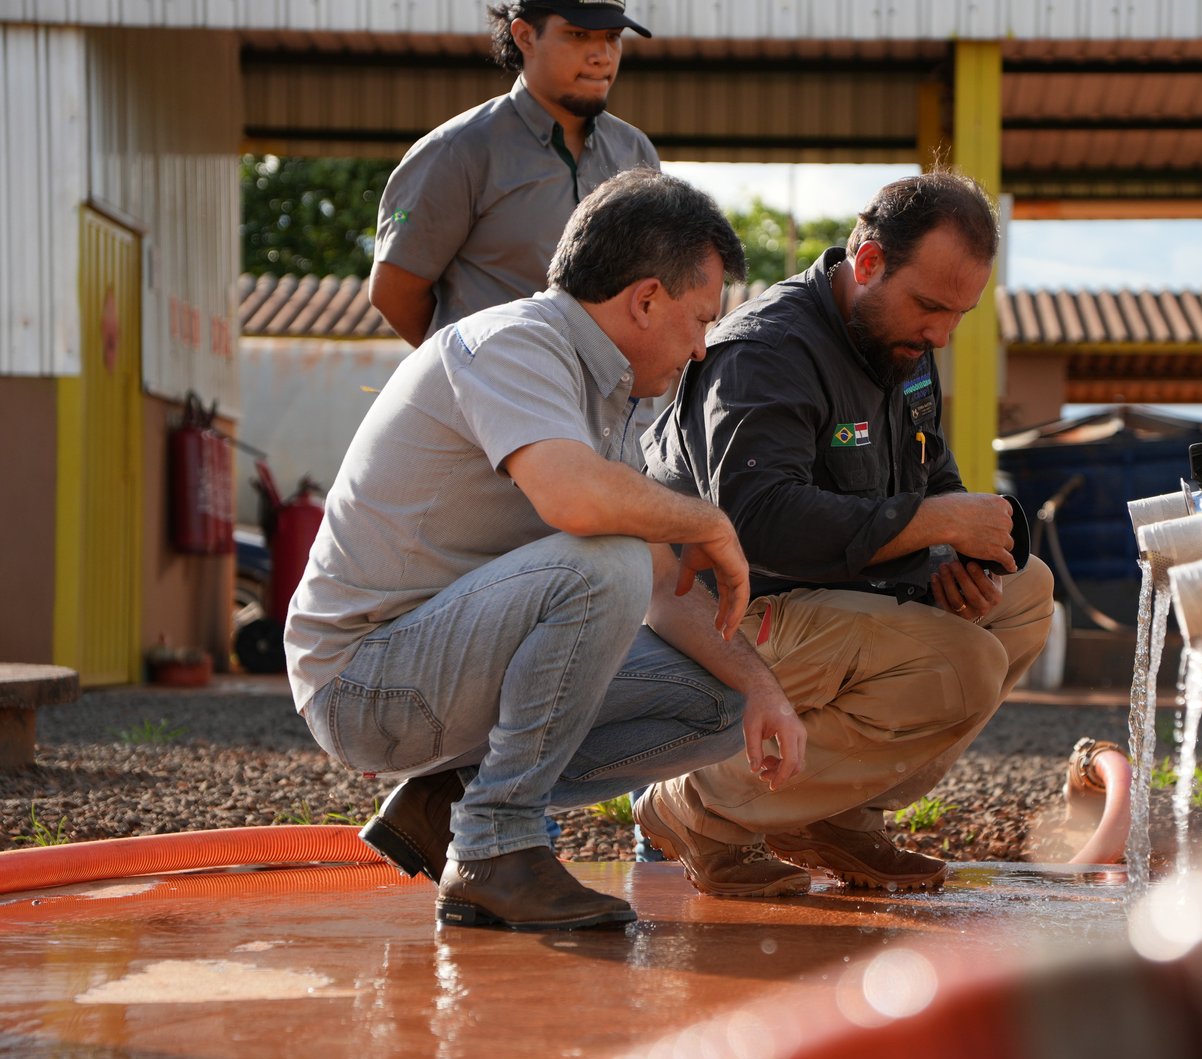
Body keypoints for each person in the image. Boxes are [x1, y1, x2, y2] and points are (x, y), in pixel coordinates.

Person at [285, 170, 806, 932]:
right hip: (365, 684)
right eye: (700, 320)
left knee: (718, 700)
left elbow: (663, 589)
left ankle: (458, 793)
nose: (702, 349)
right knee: (607, 561)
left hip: (440, 666)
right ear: (646, 298)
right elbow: (577, 504)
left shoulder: (613, 396)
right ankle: (495, 845)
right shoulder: (516, 343)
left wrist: (763, 689)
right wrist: (708, 522)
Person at [637, 170, 1056, 897]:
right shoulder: (766, 351)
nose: (941, 334)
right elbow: (754, 522)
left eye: (959, 315)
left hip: (826, 599)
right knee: (961, 664)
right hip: (716, 619)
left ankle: (834, 817)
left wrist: (953, 547)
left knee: (1022, 595)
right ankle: (695, 802)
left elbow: (932, 473)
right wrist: (928, 523)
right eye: (930, 306)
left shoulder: (900, 342)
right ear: (867, 264)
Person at [369, 0, 657, 347]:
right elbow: (394, 291)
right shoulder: (459, 151)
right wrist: (475, 373)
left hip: (610, 399)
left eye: (612, 36)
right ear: (525, 36)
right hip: (490, 397)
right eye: (578, 35)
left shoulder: (636, 153)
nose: (602, 55)